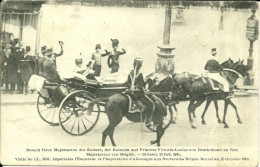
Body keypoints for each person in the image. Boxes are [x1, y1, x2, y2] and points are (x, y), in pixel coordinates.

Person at [124, 57, 154, 126]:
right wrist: (147, 81)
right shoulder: (140, 74)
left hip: (130, 92)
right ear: (140, 65)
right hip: (137, 94)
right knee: (151, 103)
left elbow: (127, 82)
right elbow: (141, 86)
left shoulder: (130, 72)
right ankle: (148, 121)